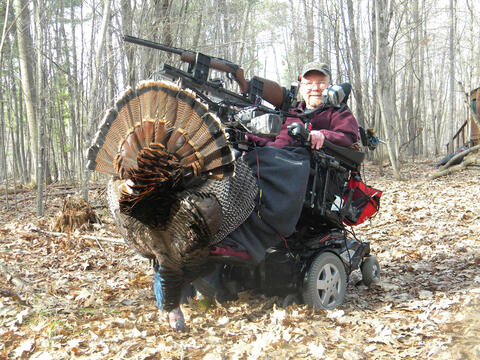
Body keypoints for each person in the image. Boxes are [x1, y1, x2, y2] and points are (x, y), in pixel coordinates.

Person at [247, 61, 359, 149]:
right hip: (272, 160)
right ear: (301, 88)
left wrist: (323, 135)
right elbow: (269, 139)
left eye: (321, 83)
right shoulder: (290, 112)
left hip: (305, 169)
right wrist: (248, 138)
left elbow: (348, 137)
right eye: (309, 83)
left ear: (329, 86)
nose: (315, 88)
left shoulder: (337, 111)